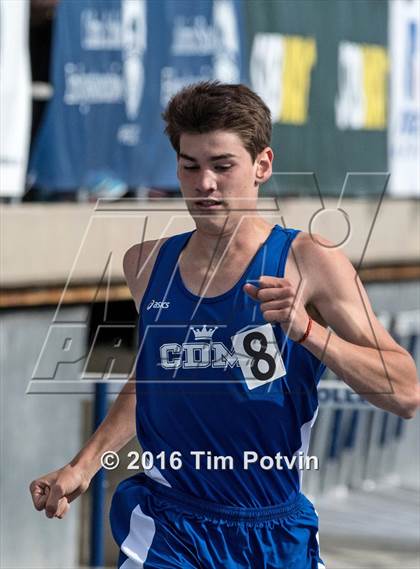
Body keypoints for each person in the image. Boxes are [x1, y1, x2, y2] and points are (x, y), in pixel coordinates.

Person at [29, 82, 419, 568]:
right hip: (169, 524)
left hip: (272, 529)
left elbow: (405, 392)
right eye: (189, 166)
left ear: (263, 166)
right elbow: (154, 379)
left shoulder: (309, 261)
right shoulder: (147, 264)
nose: (205, 183)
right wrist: (82, 466)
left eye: (222, 166)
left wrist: (308, 332)